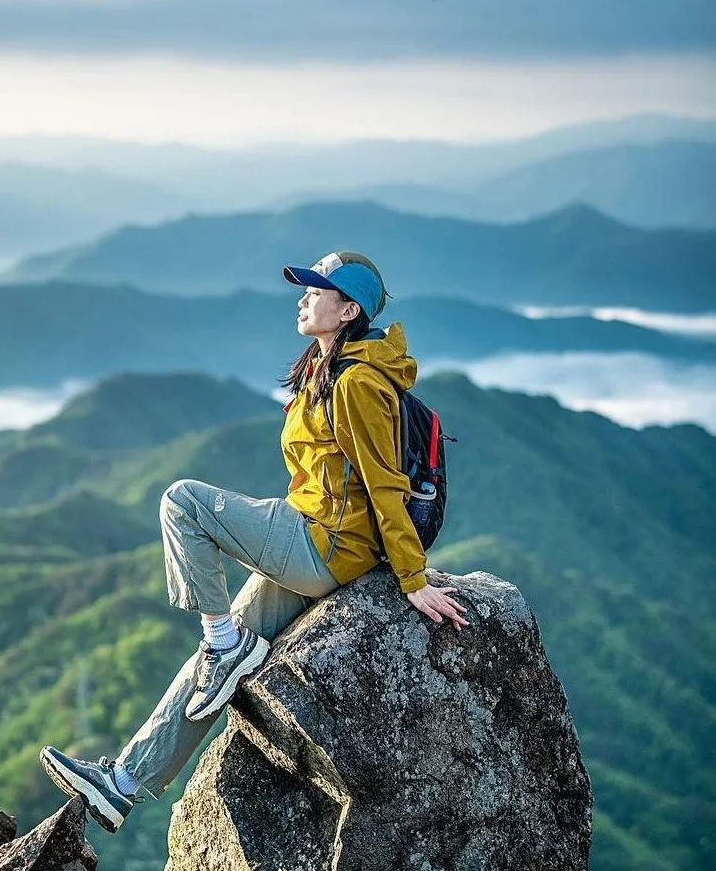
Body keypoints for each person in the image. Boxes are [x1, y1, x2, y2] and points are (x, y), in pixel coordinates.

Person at [39, 250, 468, 832]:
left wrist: (414, 580)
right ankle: (124, 782)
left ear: (347, 311)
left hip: (324, 546)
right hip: (317, 536)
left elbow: (384, 481)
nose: (303, 298)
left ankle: (223, 643)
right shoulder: (328, 368)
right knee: (216, 666)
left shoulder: (359, 382)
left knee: (182, 502)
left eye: (316, 291)